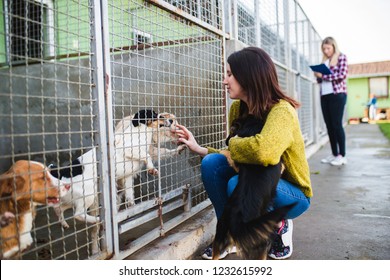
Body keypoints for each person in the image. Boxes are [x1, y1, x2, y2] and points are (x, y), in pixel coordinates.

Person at [173, 47, 312, 260]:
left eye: (230, 74)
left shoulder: (282, 111)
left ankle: (280, 224)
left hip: (292, 193)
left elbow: (264, 152)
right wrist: (200, 149)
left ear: (248, 76)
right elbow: (237, 154)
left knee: (235, 184)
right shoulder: (237, 109)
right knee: (211, 162)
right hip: (255, 180)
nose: (224, 81)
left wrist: (234, 143)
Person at [314, 37, 348, 166]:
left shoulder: (342, 58)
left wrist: (323, 76)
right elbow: (321, 81)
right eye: (324, 49)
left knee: (336, 124)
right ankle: (334, 154)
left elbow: (341, 76)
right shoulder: (325, 61)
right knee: (328, 125)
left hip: (337, 95)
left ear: (334, 46)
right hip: (325, 95)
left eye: (328, 48)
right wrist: (317, 76)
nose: (326, 51)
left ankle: (342, 155)